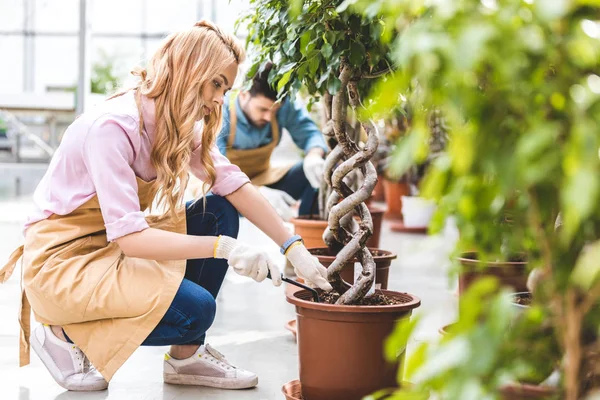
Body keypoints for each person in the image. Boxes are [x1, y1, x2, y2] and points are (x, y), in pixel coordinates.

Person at [0, 21, 332, 392]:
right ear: (192, 71)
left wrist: (293, 247)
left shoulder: (176, 123)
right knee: (197, 311)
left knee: (217, 212)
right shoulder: (113, 128)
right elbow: (132, 240)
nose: (221, 99)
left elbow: (232, 182)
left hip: (106, 245)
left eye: (227, 88)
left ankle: (186, 359)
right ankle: (61, 329)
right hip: (64, 262)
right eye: (217, 84)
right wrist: (225, 249)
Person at [215, 62, 328, 221]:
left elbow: (309, 134)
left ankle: (306, 234)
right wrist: (256, 194)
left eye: (274, 110)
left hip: (264, 179)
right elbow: (216, 174)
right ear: (243, 94)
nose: (269, 117)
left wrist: (314, 155)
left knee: (316, 172)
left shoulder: (283, 104)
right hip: (221, 189)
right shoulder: (221, 113)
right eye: (262, 109)